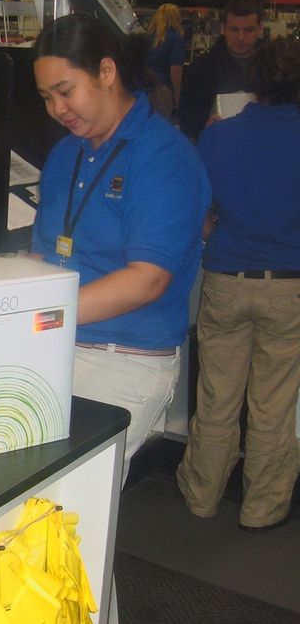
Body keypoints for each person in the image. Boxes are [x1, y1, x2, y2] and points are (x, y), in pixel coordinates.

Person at [29, 13, 211, 483]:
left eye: (66, 91)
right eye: (47, 97)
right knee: (28, 502)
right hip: (54, 347)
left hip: (125, 358)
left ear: (106, 72)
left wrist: (43, 312)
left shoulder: (163, 155)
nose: (57, 108)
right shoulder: (67, 152)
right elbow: (42, 257)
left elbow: (148, 279)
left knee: (67, 499)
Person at [176, 37, 300, 533]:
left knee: (216, 395)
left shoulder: (218, 136)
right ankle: (262, 508)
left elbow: (200, 212)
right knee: (273, 403)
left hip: (226, 279)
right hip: (288, 287)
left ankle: (201, 495)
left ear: (255, 81)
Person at [179, 0, 264, 141]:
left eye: (248, 30)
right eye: (234, 30)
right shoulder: (201, 68)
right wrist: (204, 125)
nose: (241, 37)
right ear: (223, 28)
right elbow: (186, 117)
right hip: (218, 144)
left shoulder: (276, 68)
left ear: (260, 29)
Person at [145, 3, 186, 120]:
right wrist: (177, 95)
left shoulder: (147, 38)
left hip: (144, 89)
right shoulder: (176, 39)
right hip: (164, 90)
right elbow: (175, 69)